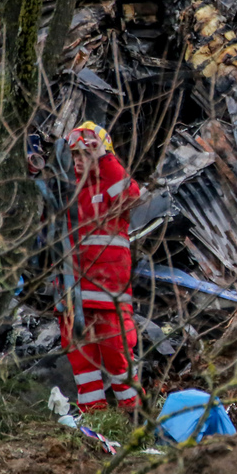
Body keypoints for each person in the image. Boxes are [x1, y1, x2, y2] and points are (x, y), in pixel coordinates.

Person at [61, 122, 142, 412]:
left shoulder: (109, 185)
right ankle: (94, 416)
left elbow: (132, 195)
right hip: (73, 294)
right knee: (81, 357)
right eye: (75, 155)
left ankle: (133, 411)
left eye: (86, 153)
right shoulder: (66, 191)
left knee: (117, 352)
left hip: (109, 292)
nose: (80, 160)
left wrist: (104, 158)